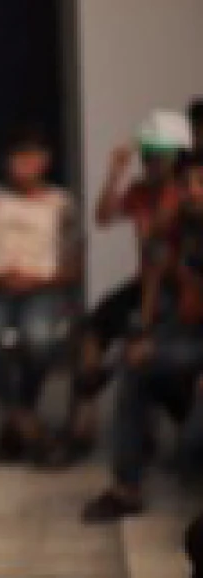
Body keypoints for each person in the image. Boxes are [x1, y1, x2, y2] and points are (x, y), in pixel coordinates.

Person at [52, 111, 192, 466]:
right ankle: (82, 426)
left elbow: (164, 256)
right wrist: (115, 172)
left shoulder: (187, 194)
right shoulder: (141, 190)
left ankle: (155, 435)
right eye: (148, 155)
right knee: (94, 328)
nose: (151, 162)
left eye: (159, 156)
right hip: (146, 281)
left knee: (142, 350)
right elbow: (102, 216)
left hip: (180, 288)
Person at [82, 151, 203, 522]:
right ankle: (127, 488)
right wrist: (145, 333)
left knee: (191, 450)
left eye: (202, 183)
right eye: (187, 184)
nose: (195, 191)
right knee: (134, 365)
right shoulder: (173, 229)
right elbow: (151, 279)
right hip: (186, 330)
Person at [0, 125, 82, 464]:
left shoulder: (62, 204)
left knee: (40, 338)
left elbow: (75, 266)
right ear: (6, 162)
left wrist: (36, 280)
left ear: (46, 161)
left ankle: (17, 420)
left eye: (32, 158)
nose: (25, 166)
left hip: (43, 288)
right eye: (18, 158)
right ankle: (23, 418)